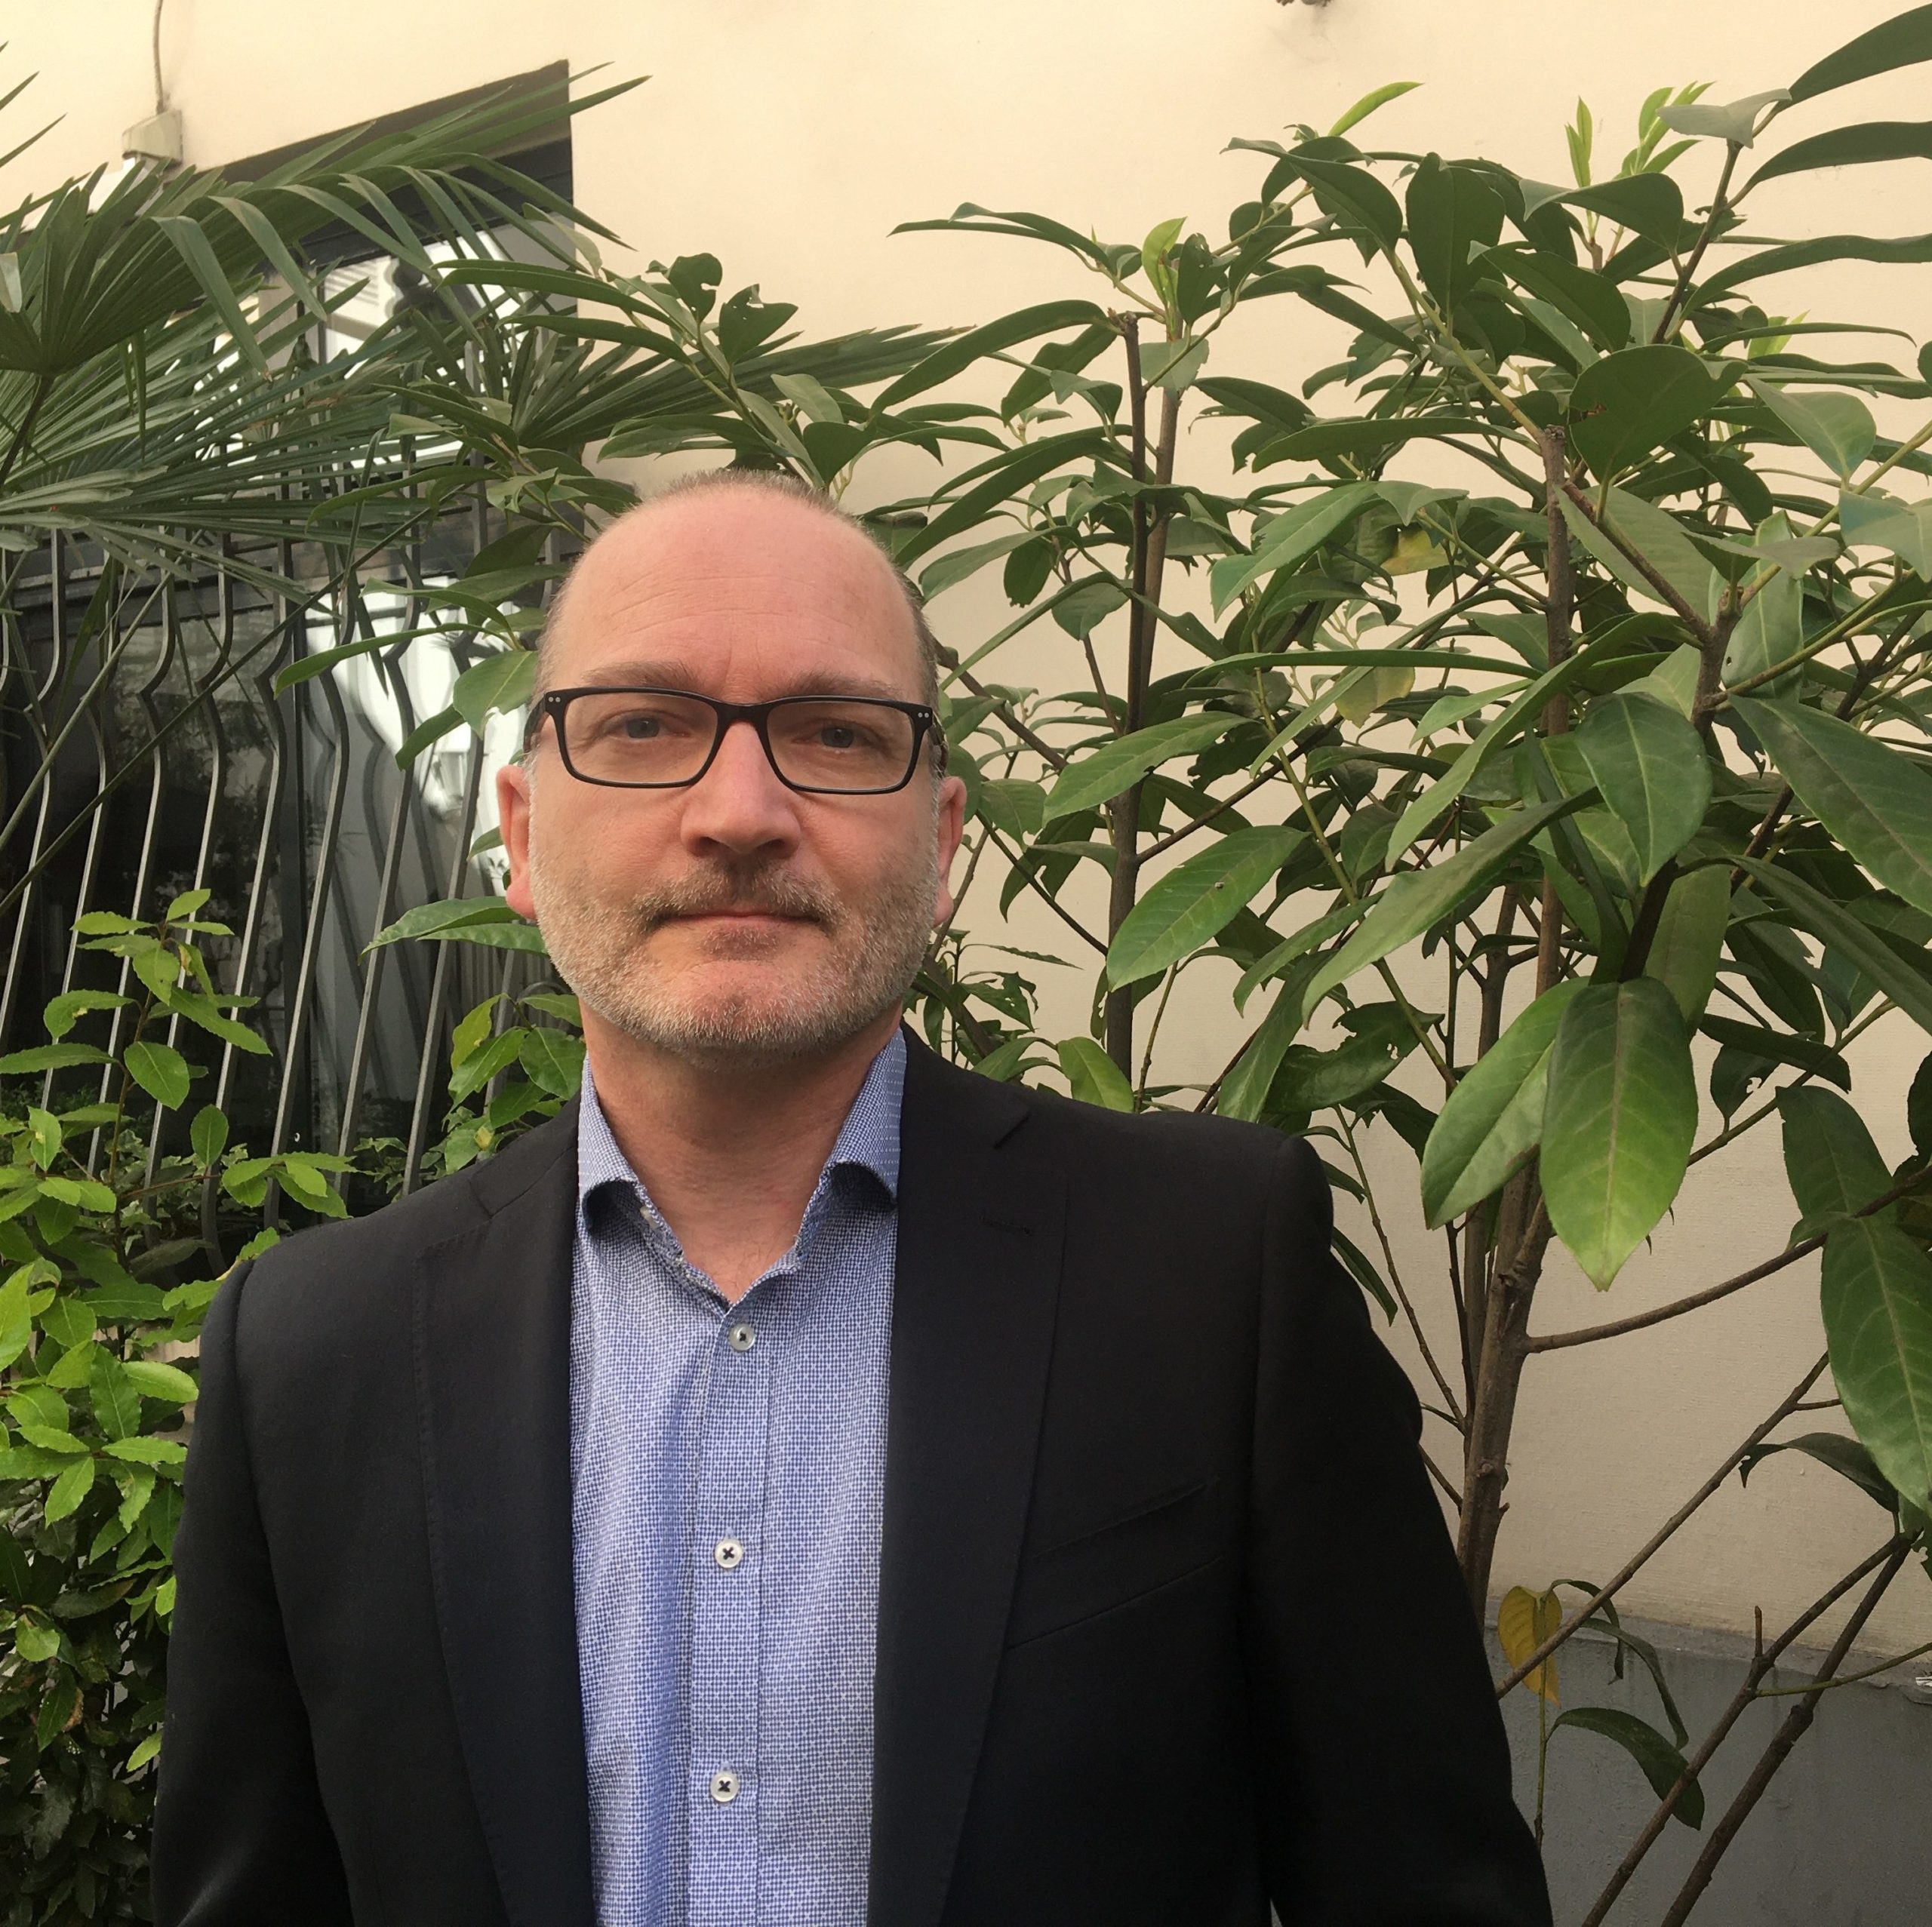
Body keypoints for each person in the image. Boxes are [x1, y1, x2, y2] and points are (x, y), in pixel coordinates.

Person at [152, 472, 1552, 1927]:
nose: (741, 813)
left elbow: (1422, 1885)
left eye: (833, 733)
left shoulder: (1213, 1275)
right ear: (518, 829)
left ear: (942, 838)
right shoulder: (313, 1350)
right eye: (643, 725)